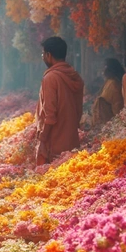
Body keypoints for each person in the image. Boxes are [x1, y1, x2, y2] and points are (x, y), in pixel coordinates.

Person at [36, 36, 84, 166]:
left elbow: (50, 116)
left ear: (48, 55)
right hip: (72, 140)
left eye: (43, 54)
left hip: (55, 143)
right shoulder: (74, 76)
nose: (43, 57)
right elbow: (78, 109)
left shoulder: (51, 78)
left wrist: (43, 138)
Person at [92, 58, 125, 126]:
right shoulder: (109, 81)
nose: (102, 70)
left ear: (109, 69)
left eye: (104, 66)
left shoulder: (113, 84)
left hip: (108, 123)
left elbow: (117, 107)